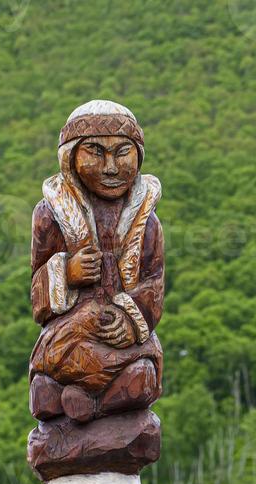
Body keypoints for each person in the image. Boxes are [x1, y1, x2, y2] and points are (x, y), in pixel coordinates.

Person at [29, 100, 164, 425]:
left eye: (121, 152)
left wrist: (131, 321)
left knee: (144, 376)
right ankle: (67, 394)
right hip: (72, 331)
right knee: (53, 368)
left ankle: (91, 405)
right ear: (71, 158)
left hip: (123, 338)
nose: (110, 167)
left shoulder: (147, 222)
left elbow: (154, 284)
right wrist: (66, 271)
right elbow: (37, 291)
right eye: (95, 152)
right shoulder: (51, 215)